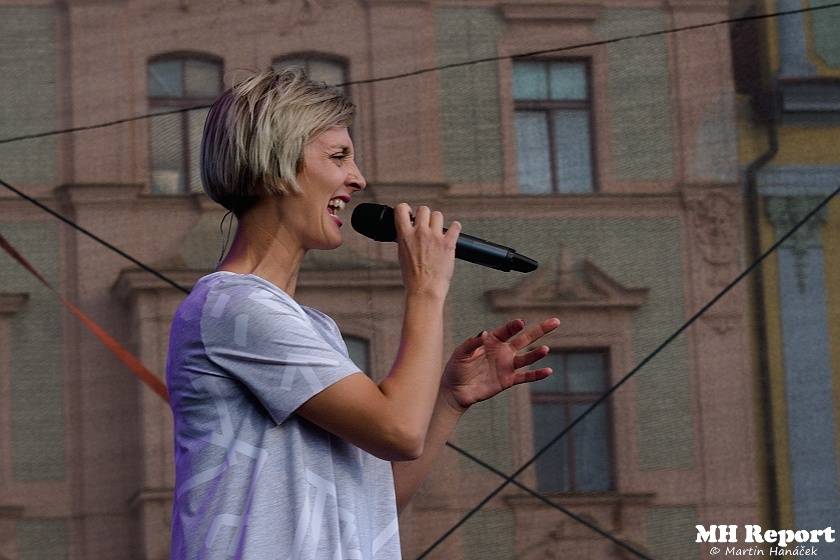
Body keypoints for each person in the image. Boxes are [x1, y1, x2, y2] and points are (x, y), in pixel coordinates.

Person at [165, 67, 560, 559]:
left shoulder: (311, 326)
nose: (358, 178)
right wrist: (426, 288)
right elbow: (397, 430)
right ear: (274, 168)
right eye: (338, 157)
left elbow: (368, 501)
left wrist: (449, 401)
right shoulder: (233, 306)